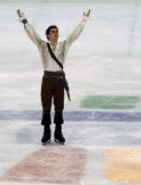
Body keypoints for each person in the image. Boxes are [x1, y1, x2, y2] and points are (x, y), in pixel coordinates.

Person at [17, 8, 91, 145]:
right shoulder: (42, 46)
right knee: (46, 106)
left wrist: (83, 20)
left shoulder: (64, 45)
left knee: (59, 106)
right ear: (47, 35)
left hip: (58, 80)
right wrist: (24, 21)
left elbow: (74, 35)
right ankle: (46, 131)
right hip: (47, 79)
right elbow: (32, 34)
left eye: (57, 32)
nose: (56, 34)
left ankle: (58, 131)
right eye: (53, 32)